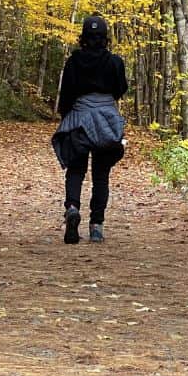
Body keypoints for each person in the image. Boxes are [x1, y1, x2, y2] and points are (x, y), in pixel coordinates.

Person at [51, 14, 128, 244]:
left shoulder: (73, 62)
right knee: (101, 175)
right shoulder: (115, 62)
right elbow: (121, 89)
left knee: (75, 170)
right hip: (106, 120)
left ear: (83, 37)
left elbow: (65, 96)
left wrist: (66, 119)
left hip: (79, 118)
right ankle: (96, 226)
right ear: (105, 37)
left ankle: (73, 208)